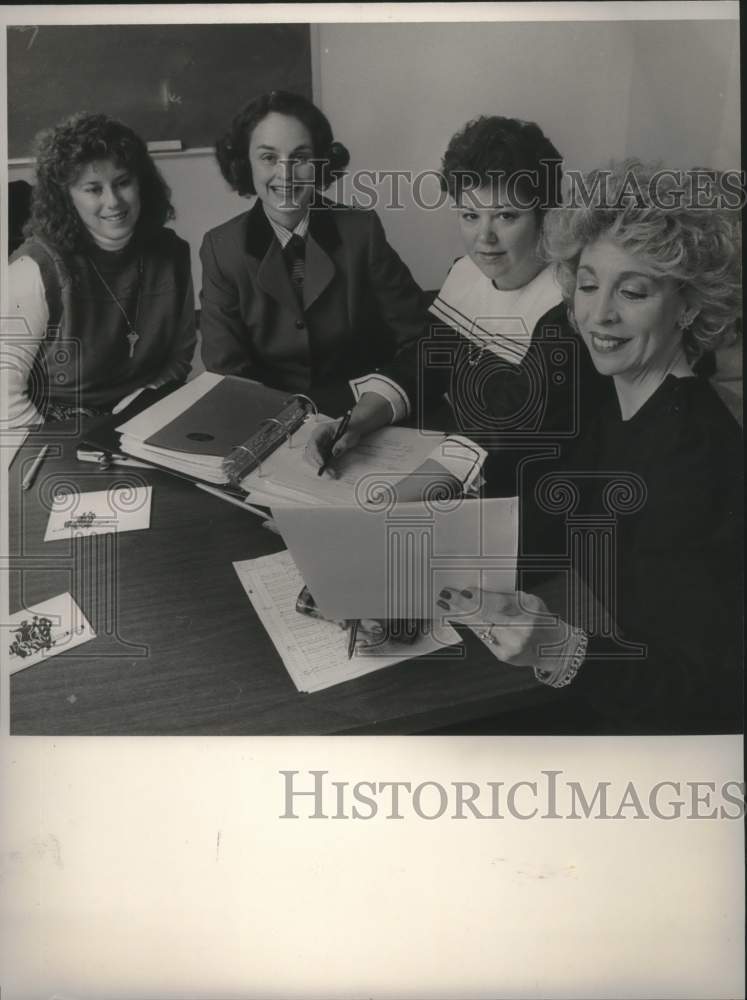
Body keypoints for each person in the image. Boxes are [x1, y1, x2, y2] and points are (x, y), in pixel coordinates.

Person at [438, 162, 743, 733]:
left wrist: (558, 647)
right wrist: (401, 558)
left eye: (632, 292)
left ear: (689, 307)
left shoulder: (692, 458)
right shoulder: (618, 405)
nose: (599, 314)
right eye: (587, 284)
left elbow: (703, 688)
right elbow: (558, 522)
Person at [306, 114, 609, 495]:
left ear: (545, 217)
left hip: (541, 493)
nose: (485, 237)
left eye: (506, 216)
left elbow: (503, 430)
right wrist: (355, 422)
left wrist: (374, 506)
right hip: (466, 468)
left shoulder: (567, 308)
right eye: (470, 215)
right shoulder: (467, 275)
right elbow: (425, 363)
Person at [199, 90, 428, 417]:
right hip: (269, 421)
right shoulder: (221, 249)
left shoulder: (361, 231)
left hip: (360, 412)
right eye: (268, 157)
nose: (286, 174)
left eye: (301, 157)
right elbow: (227, 371)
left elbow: (418, 339)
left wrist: (374, 406)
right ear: (244, 164)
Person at [6, 113, 196, 427]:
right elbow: (6, 398)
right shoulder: (34, 269)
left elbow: (180, 356)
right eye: (93, 189)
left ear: (141, 183)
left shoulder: (172, 253)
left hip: (144, 413)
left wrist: (143, 401)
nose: (114, 202)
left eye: (123, 182)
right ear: (66, 198)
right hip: (51, 426)